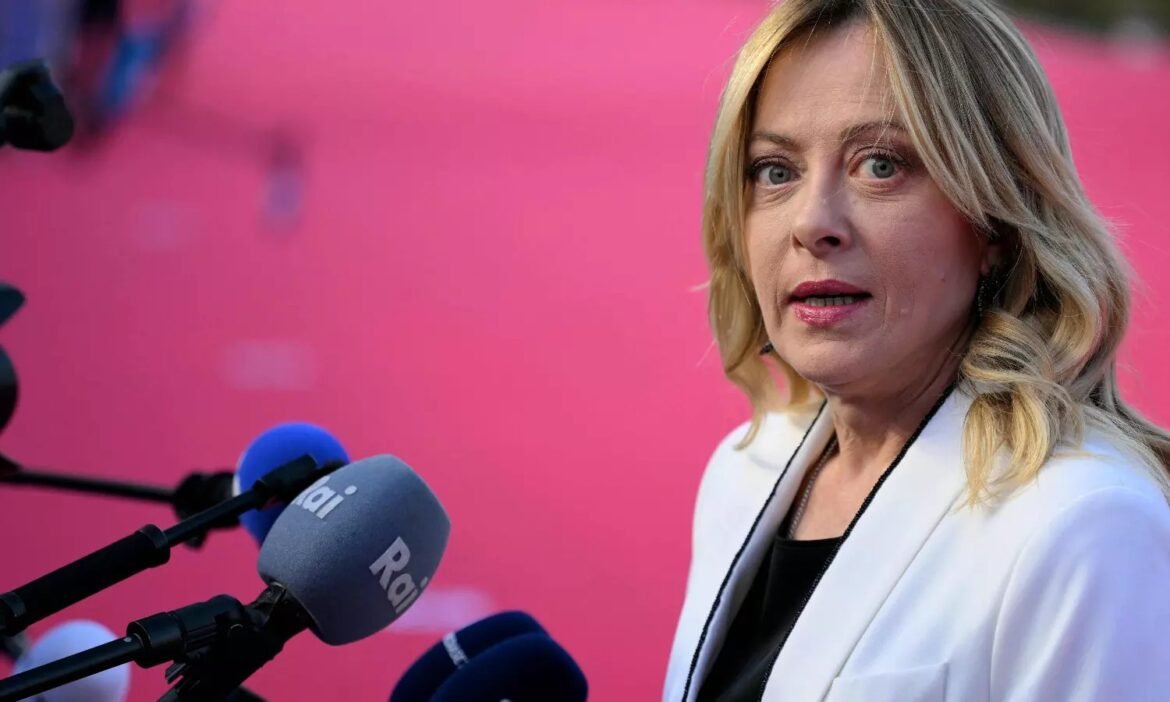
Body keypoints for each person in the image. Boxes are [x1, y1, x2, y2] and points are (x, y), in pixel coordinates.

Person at [663, 0, 1170, 700]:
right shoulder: (744, 472)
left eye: (880, 164)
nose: (813, 224)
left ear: (995, 219)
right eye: (775, 171)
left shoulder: (1084, 527)